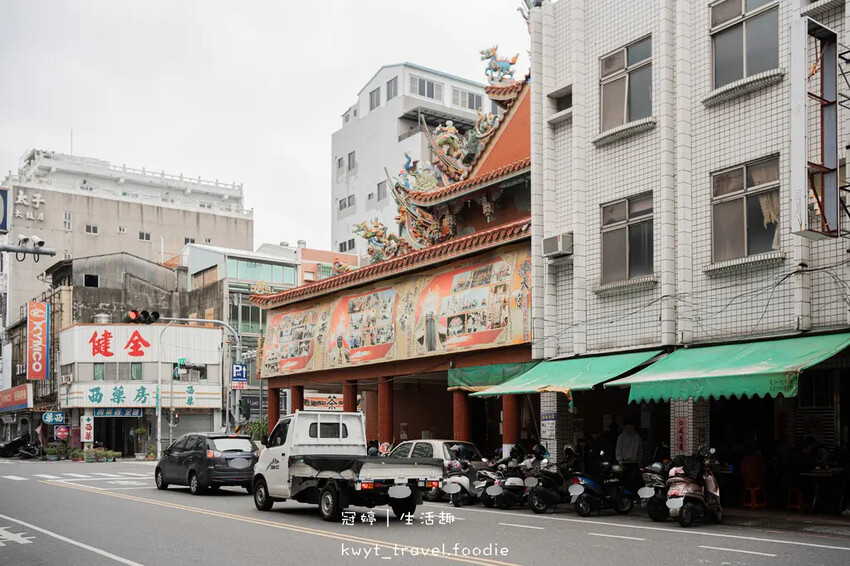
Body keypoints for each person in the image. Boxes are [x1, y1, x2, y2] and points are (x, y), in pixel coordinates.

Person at [616, 424, 643, 494]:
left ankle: (625, 495)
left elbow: (618, 449)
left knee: (624, 481)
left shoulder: (621, 437)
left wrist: (620, 461)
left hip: (624, 463)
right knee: (633, 481)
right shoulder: (637, 436)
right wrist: (640, 461)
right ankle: (633, 496)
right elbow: (640, 450)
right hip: (634, 462)